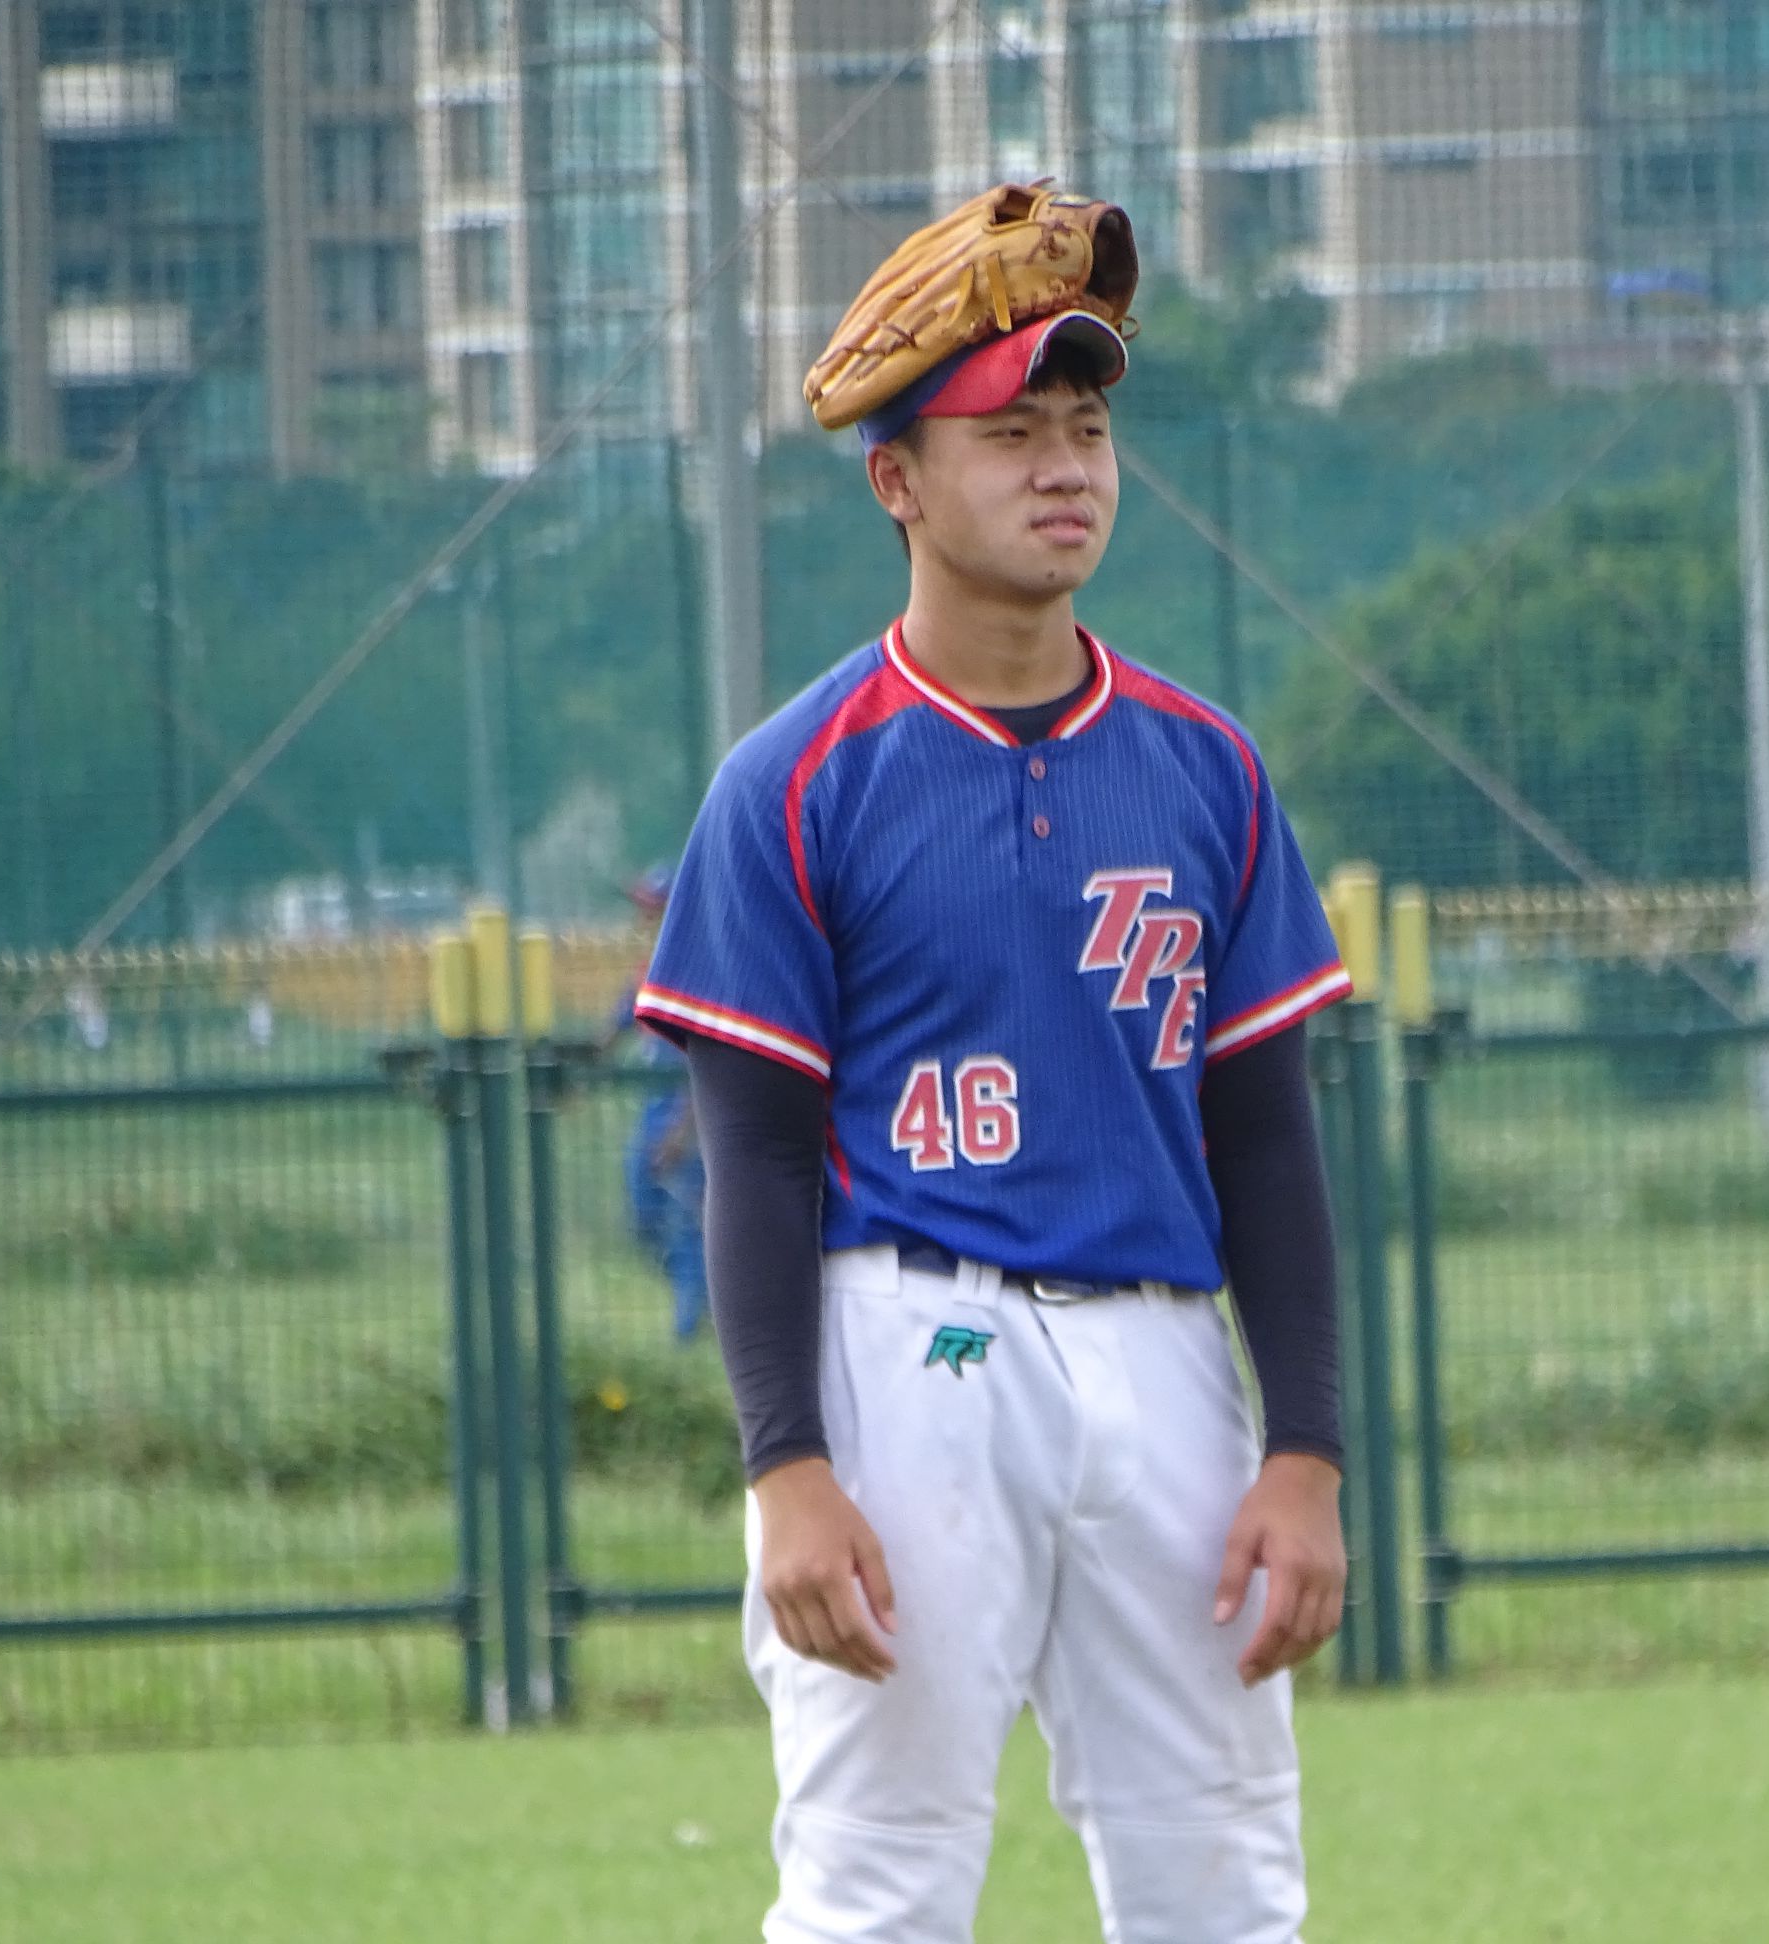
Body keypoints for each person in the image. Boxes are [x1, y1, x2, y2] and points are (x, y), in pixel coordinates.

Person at [635, 187, 1350, 1941]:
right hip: (909, 1347)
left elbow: (1266, 1140)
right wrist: (787, 1466)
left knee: (1226, 1886)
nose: (1064, 468)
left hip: (1168, 1360)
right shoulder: (797, 779)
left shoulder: (1205, 765)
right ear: (897, 479)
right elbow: (755, 1156)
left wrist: (1306, 1449)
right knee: (876, 1886)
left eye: (1086, 427)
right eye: (1010, 432)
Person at [608, 865, 709, 1342]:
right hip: (655, 1107)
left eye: (654, 911)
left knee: (686, 1217)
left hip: (687, 1111)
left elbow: (705, 1065)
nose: (644, 921)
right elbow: (615, 1027)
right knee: (643, 1211)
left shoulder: (698, 974)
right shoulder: (647, 971)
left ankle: (692, 1326)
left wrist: (681, 1131)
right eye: (644, 910)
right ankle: (704, 1299)